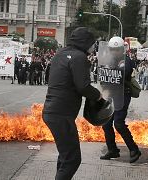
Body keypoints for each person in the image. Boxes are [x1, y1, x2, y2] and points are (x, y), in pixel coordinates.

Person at [42, 27, 105, 180]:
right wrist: (98, 96)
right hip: (61, 115)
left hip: (52, 112)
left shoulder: (60, 54)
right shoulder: (78, 57)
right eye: (92, 43)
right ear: (85, 42)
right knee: (72, 160)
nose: (93, 46)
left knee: (65, 157)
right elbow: (82, 86)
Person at [100, 36, 141, 163]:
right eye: (112, 49)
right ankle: (112, 150)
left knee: (118, 123)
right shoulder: (109, 60)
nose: (114, 52)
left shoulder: (126, 61)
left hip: (122, 95)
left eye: (117, 49)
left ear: (122, 49)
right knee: (106, 124)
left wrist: (111, 70)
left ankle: (134, 149)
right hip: (111, 95)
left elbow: (125, 72)